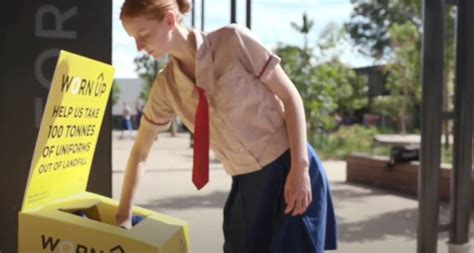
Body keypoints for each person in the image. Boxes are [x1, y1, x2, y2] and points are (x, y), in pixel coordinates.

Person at [115, 0, 337, 252]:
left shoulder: (233, 41)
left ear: (169, 20)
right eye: (133, 38)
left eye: (143, 34)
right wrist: (123, 216)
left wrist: (300, 169)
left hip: (290, 166)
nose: (138, 46)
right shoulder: (166, 87)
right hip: (246, 182)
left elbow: (290, 97)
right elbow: (140, 152)